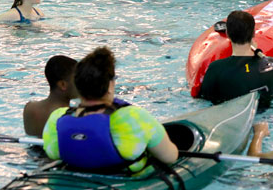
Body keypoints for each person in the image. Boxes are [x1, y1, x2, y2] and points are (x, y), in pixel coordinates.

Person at [42, 46, 178, 173]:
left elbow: (52, 153)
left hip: (74, 182)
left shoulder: (58, 118)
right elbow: (170, 157)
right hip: (125, 184)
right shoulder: (133, 118)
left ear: (78, 85)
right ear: (110, 85)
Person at [199, 11, 273, 110]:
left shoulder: (216, 68)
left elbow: (203, 100)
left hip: (230, 119)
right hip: (265, 118)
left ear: (227, 33)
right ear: (254, 33)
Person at [23, 55, 79, 137]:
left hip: (31, 149)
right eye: (78, 79)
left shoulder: (30, 108)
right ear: (62, 84)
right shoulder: (71, 115)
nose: (82, 83)